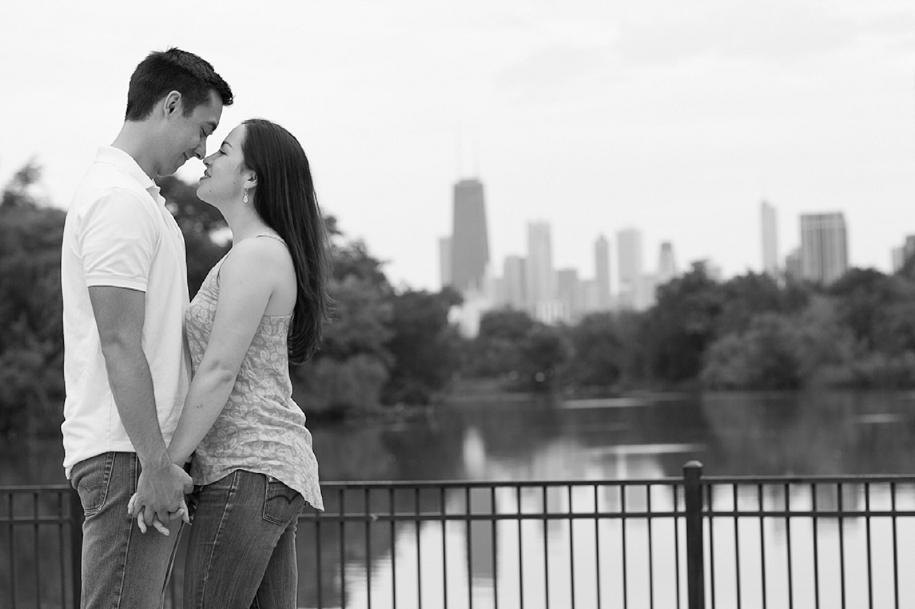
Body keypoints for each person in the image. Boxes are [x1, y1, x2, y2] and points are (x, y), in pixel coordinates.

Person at [129, 118, 330, 608]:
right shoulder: (251, 254)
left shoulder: (257, 256)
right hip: (262, 471)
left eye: (223, 149)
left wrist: (165, 467)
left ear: (251, 177)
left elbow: (220, 369)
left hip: (248, 467)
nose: (207, 157)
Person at [60, 48, 233, 608]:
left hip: (134, 451)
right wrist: (156, 465)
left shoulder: (137, 198)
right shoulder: (118, 200)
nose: (201, 150)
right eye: (203, 130)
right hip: (129, 454)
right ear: (171, 104)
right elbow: (118, 340)